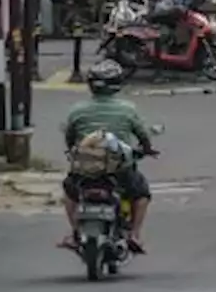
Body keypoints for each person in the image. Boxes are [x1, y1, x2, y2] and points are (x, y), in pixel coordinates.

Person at [59, 60, 156, 253]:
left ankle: (75, 233)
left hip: (84, 170)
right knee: (141, 193)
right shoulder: (128, 109)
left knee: (70, 192)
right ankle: (135, 235)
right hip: (120, 170)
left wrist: (74, 152)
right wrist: (147, 149)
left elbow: (70, 137)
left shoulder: (78, 110)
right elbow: (143, 135)